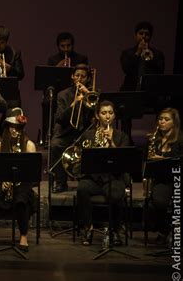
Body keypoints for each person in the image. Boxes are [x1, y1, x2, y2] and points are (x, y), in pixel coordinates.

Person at [0, 107, 36, 252]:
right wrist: (3, 180)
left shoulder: (29, 145)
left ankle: (23, 235)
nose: (14, 130)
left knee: (21, 200)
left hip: (22, 183)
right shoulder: (0, 145)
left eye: (17, 127)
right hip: (2, 182)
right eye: (11, 127)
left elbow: (32, 175)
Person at [77, 100, 129, 246]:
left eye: (110, 113)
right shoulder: (88, 135)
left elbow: (124, 161)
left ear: (114, 116)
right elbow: (82, 159)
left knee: (116, 193)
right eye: (103, 113)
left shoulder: (121, 136)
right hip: (94, 179)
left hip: (113, 177)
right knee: (82, 189)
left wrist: (111, 144)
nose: (107, 116)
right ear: (97, 115)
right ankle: (88, 228)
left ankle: (115, 230)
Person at [50, 64, 95, 193]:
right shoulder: (62, 95)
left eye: (83, 76)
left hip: (85, 133)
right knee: (55, 145)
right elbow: (60, 118)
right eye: (77, 76)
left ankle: (88, 182)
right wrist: (73, 104)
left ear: (87, 78)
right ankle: (60, 182)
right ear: (72, 76)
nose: (79, 79)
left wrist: (88, 95)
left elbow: (100, 113)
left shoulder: (93, 93)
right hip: (66, 132)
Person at [146, 108, 183, 245]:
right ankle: (164, 230)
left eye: (167, 119)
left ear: (174, 122)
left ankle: (176, 231)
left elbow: (180, 159)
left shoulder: (180, 139)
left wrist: (161, 158)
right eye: (161, 119)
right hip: (162, 179)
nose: (162, 122)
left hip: (178, 178)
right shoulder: (155, 139)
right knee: (158, 202)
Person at [42, 32, 89, 140]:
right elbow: (47, 80)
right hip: (59, 91)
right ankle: (48, 135)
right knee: (47, 102)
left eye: (68, 46)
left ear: (73, 45)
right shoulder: (53, 59)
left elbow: (86, 75)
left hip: (77, 90)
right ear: (58, 46)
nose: (66, 49)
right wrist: (57, 68)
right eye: (63, 46)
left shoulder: (81, 58)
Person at [120, 21, 165, 91]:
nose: (143, 36)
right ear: (135, 35)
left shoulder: (158, 54)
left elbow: (160, 72)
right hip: (130, 90)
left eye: (147, 34)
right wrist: (138, 52)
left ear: (150, 37)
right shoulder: (127, 53)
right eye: (141, 33)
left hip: (150, 91)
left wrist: (151, 59)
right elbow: (127, 70)